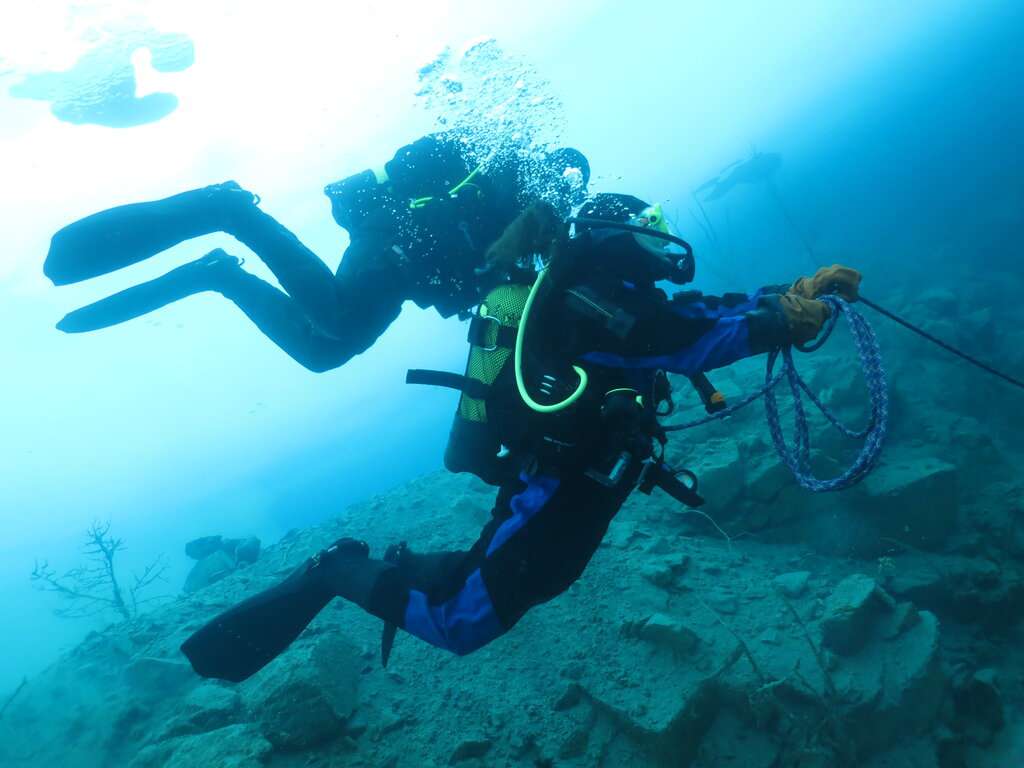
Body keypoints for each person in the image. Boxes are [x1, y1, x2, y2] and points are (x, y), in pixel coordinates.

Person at [180, 192, 862, 683]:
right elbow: (682, 337)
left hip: (587, 482)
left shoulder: (617, 294)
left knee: (528, 578)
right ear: (616, 233)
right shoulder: (590, 298)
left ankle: (405, 568)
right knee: (463, 624)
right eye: (650, 225)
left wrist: (793, 292)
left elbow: (693, 315)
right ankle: (337, 569)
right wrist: (778, 319)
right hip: (556, 482)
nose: (662, 236)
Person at [43, 134, 590, 372]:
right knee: (333, 319)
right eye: (560, 201)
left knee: (325, 353)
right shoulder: (503, 187)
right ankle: (232, 211)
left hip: (405, 270)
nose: (557, 219)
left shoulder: (526, 228)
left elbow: (505, 291)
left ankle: (217, 275)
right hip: (393, 245)